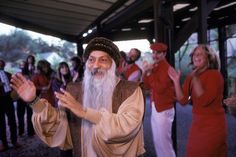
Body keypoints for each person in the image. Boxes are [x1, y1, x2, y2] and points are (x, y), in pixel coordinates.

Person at [11, 37, 145, 157]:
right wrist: (34, 101)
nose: (96, 65)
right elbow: (60, 125)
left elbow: (127, 126)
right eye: (91, 60)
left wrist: (85, 112)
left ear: (113, 65)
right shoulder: (74, 89)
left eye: (103, 60)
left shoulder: (131, 90)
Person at [168, 44, 227, 157]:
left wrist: (195, 78)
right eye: (195, 54)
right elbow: (183, 100)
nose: (196, 56)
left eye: (200, 54)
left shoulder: (215, 75)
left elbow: (204, 100)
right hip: (197, 124)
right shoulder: (192, 76)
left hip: (213, 125)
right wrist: (176, 81)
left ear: (209, 58)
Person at [142, 42, 176, 157]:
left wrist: (150, 73)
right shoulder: (155, 66)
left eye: (158, 53)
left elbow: (160, 89)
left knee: (165, 144)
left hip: (164, 109)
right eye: (154, 52)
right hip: (156, 107)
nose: (155, 55)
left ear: (164, 54)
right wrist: (145, 71)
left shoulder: (167, 68)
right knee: (158, 143)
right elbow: (146, 86)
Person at [52, 61, 73, 157]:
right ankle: (64, 153)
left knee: (72, 131)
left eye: (66, 67)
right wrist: (64, 84)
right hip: (62, 108)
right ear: (59, 70)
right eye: (62, 67)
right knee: (64, 132)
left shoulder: (71, 79)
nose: (65, 69)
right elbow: (59, 95)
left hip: (72, 108)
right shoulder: (55, 81)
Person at [0, 59, 21, 152]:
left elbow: (14, 85)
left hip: (9, 100)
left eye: (2, 64)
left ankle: (14, 141)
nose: (1, 66)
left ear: (3, 65)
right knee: (1, 124)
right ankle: (4, 144)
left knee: (12, 121)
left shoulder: (8, 74)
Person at [16, 61, 35, 137]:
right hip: (20, 97)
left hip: (29, 97)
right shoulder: (17, 74)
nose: (22, 66)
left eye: (24, 65)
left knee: (30, 115)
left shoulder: (31, 75)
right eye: (21, 65)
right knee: (20, 115)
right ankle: (21, 132)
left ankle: (30, 132)